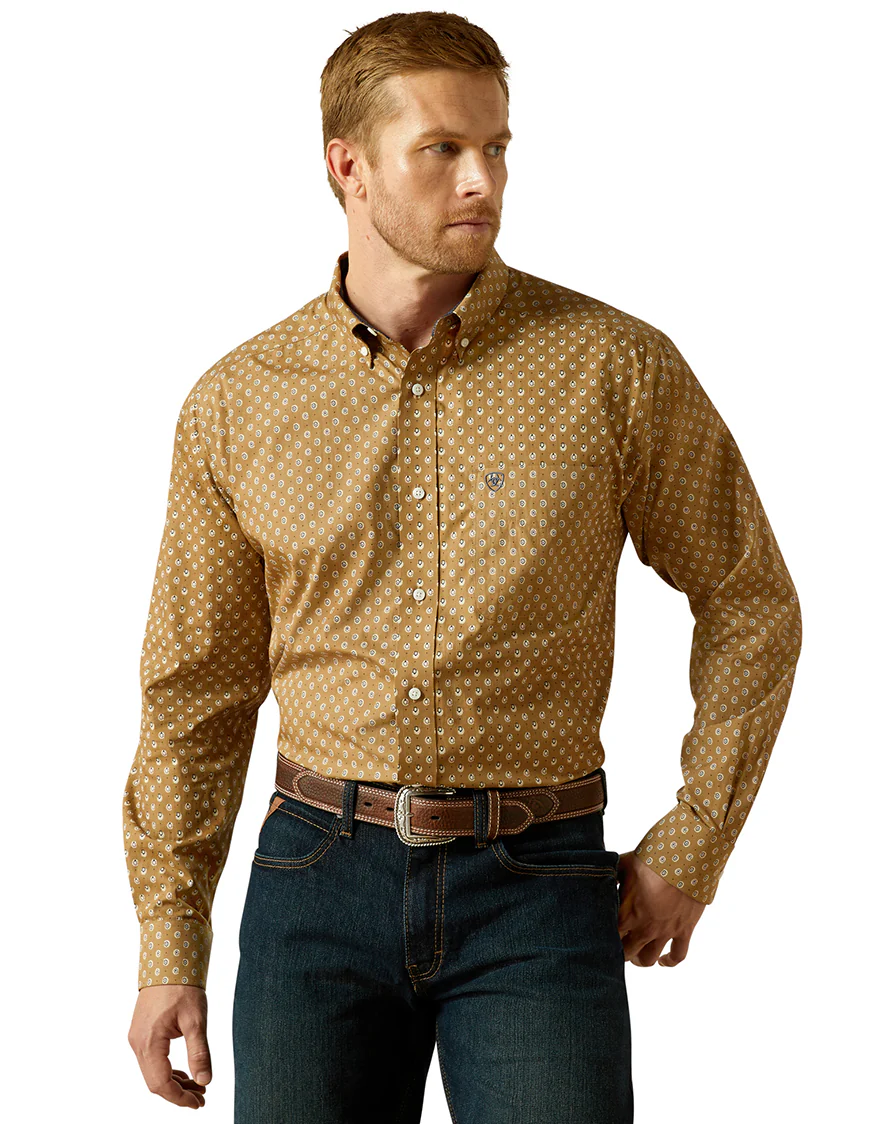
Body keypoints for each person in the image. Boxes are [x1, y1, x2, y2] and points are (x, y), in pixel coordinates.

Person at [123, 11, 802, 1122]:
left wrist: (695, 841)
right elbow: (196, 688)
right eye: (441, 149)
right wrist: (168, 944)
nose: (483, 179)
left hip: (540, 886)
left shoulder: (614, 368)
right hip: (313, 886)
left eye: (496, 147)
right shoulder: (238, 403)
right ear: (347, 165)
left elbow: (750, 601)